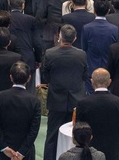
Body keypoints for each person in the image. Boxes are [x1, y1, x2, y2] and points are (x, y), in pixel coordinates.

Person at [41, 25, 87, 160]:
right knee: (77, 135)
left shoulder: (50, 53)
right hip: (76, 99)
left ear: (59, 37)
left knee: (52, 136)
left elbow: (45, 76)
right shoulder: (81, 54)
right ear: (75, 38)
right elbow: (84, 76)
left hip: (56, 99)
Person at [74, 69, 119, 160]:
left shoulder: (83, 103)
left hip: (89, 152)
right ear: (109, 82)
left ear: (91, 82)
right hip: (112, 150)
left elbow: (79, 128)